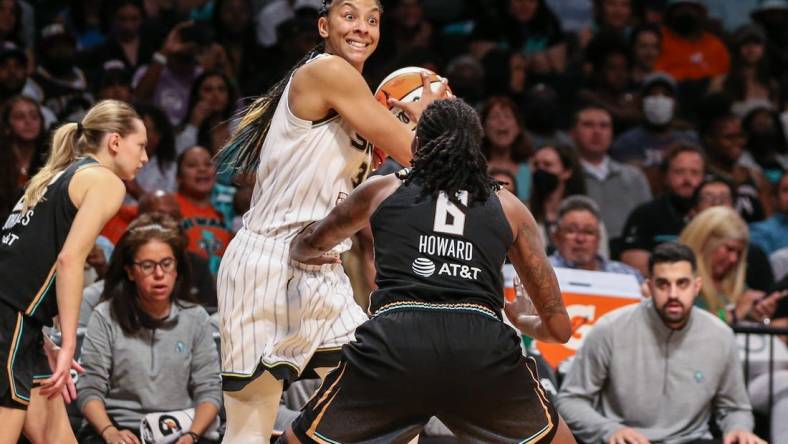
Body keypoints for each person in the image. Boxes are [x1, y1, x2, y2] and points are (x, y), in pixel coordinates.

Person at [212, 0, 447, 441]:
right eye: (350, 15)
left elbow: (401, 174)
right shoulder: (327, 72)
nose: (362, 28)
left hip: (324, 271)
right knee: (249, 429)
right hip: (268, 263)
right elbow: (418, 155)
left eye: (373, 19)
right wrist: (433, 119)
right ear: (324, 25)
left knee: (394, 402)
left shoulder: (354, 100)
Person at [282, 98, 573, 443]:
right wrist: (525, 322)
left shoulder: (383, 188)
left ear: (416, 145)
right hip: (480, 346)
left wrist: (305, 247)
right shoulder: (510, 207)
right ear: (476, 150)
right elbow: (559, 329)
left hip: (396, 343)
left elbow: (311, 242)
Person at [0, 99, 148, 443]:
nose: (145, 159)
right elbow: (69, 260)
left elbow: (23, 254)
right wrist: (69, 345)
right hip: (9, 318)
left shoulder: (56, 175)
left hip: (19, 322)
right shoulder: (106, 181)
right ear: (114, 142)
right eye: (140, 146)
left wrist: (41, 336)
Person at [555, 242, 763, 444]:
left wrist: (739, 429)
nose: (673, 294)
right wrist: (609, 431)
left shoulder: (720, 336)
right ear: (649, 286)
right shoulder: (610, 329)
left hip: (692, 440)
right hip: (628, 439)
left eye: (682, 283)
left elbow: (736, 408)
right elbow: (570, 400)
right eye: (663, 284)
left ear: (696, 286)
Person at [77, 214, 222, 444]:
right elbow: (89, 388)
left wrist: (192, 435)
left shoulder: (196, 318)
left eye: (167, 264)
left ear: (177, 268)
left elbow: (210, 390)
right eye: (147, 266)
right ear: (130, 271)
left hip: (181, 429)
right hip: (118, 427)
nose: (159, 274)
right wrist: (109, 432)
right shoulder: (105, 315)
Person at [619, 143, 706, 275]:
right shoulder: (644, 214)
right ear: (666, 176)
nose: (687, 179)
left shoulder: (711, 215)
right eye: (679, 172)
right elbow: (634, 264)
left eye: (695, 173)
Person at [680, 206, 775, 324]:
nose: (734, 259)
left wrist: (756, 311)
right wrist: (735, 313)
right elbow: (690, 324)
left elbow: (743, 309)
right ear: (705, 242)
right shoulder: (679, 280)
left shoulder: (734, 282)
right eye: (729, 249)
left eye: (739, 253)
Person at [571, 104, 651, 241]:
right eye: (588, 125)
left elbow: (648, 221)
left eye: (604, 126)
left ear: (612, 133)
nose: (597, 132)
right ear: (573, 133)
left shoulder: (634, 176)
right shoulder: (566, 175)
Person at [549, 195, 642, 283]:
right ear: (557, 237)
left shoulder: (627, 277)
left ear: (598, 239)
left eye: (589, 232)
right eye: (571, 231)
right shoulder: (540, 272)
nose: (580, 239)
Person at [480, 96, 533, 200]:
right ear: (484, 127)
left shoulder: (531, 168)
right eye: (495, 117)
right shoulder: (475, 168)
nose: (502, 121)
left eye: (508, 116)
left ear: (518, 127)